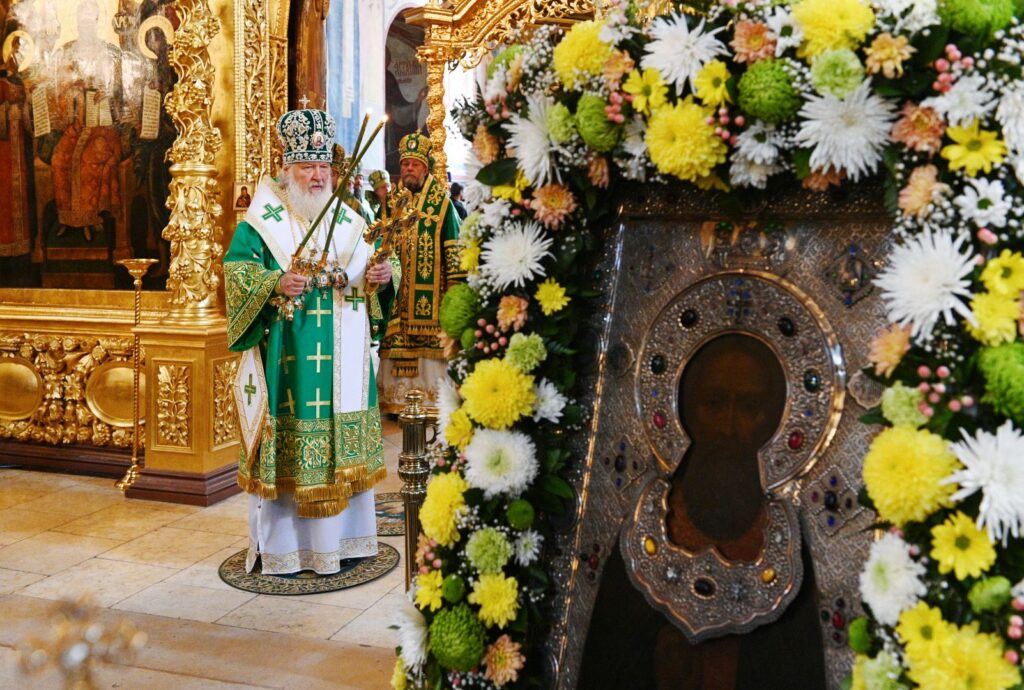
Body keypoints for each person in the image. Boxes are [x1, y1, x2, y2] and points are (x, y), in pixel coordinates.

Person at [224, 107, 396, 575]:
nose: (318, 176)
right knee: (291, 463)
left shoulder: (349, 217)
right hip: (289, 363)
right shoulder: (262, 220)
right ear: (288, 169)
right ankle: (286, 552)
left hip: (345, 356)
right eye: (307, 167)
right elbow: (237, 272)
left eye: (323, 167)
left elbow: (375, 269)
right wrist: (274, 283)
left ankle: (348, 543)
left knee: (344, 455)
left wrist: (382, 274)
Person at [378, 132, 463, 413]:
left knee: (431, 349)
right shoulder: (392, 203)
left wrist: (454, 289)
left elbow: (453, 247)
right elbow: (381, 242)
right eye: (404, 164)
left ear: (425, 168)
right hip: (398, 293)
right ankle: (397, 401)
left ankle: (431, 402)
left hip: (433, 296)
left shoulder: (442, 203)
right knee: (397, 342)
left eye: (414, 164)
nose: (408, 169)